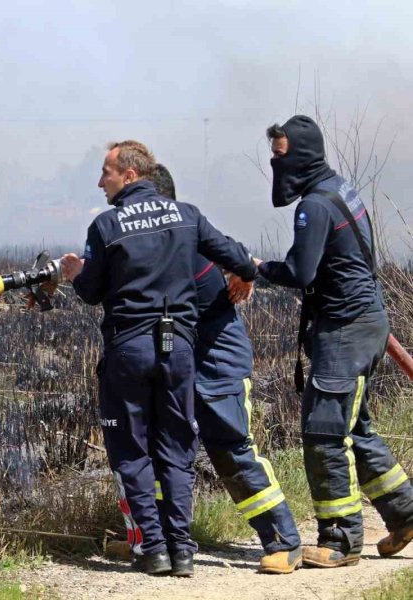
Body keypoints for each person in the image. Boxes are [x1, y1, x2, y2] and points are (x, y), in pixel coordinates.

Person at [60, 141, 257, 576]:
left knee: (131, 450)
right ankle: (182, 551)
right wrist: (244, 274)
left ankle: (152, 550)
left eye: (106, 173)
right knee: (176, 447)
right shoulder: (187, 215)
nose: (100, 182)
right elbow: (239, 257)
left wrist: (75, 273)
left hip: (129, 350)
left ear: (129, 175)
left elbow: (92, 292)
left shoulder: (107, 224)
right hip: (178, 349)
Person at [251, 115, 413, 567]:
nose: (276, 166)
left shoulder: (315, 206)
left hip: (345, 332)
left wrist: (257, 267)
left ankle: (339, 540)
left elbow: (301, 272)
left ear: (302, 155)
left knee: (324, 431)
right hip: (363, 324)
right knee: (353, 428)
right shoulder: (339, 188)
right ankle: (406, 512)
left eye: (281, 157)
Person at [152, 164, 302, 574]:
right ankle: (154, 539)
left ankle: (284, 541)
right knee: (162, 450)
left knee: (232, 452)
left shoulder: (186, 239)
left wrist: (246, 270)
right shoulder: (164, 242)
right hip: (184, 362)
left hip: (217, 363)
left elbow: (235, 252)